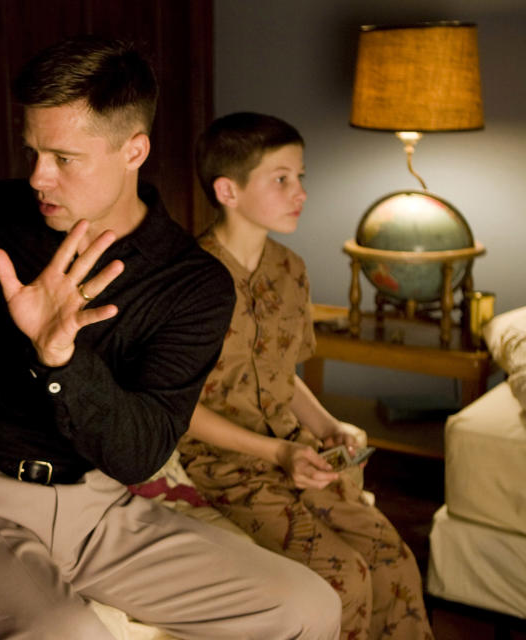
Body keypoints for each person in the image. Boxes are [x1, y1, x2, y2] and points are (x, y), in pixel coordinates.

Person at [0, 36, 341, 640]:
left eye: (64, 158)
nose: (39, 176)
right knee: (72, 634)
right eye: (33, 151)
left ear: (133, 150)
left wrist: (59, 358)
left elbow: (139, 452)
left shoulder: (192, 284)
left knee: (308, 606)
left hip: (96, 505)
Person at [177, 111, 434, 639]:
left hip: (296, 452)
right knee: (347, 578)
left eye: (301, 177)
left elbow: (282, 374)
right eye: (282, 179)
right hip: (224, 467)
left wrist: (326, 426)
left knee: (394, 559)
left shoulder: (290, 269)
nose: (301, 192)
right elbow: (178, 407)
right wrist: (278, 455)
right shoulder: (187, 282)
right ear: (228, 189)